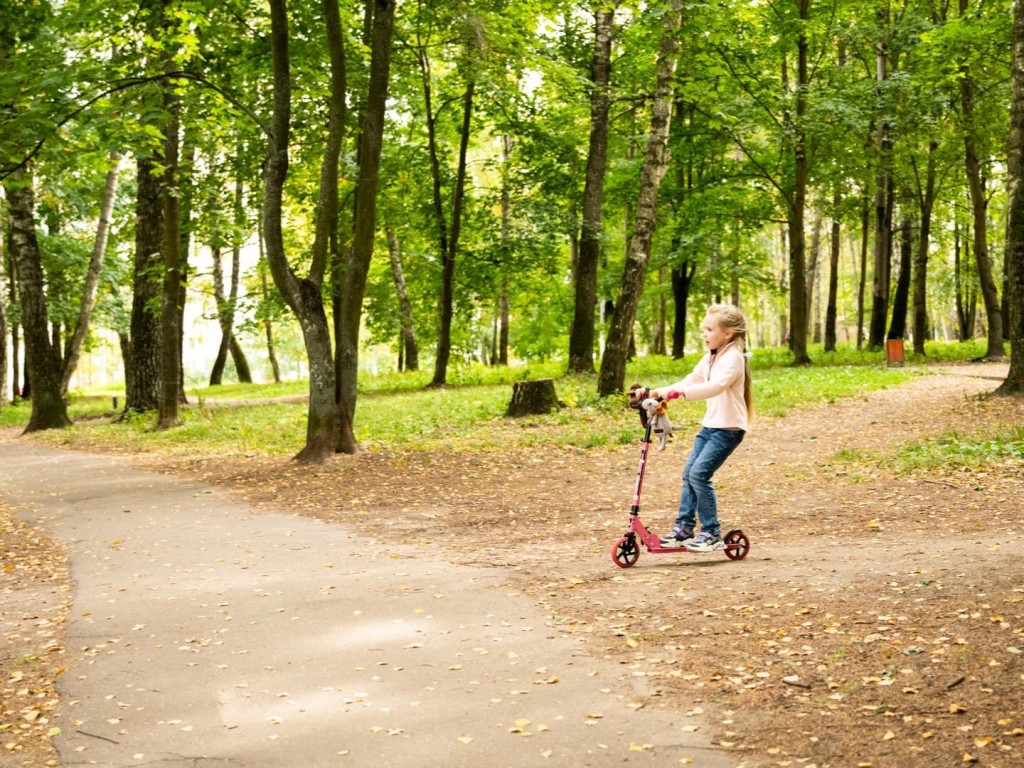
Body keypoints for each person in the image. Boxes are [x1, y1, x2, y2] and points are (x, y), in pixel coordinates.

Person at [649, 303, 753, 553]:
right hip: (710, 427)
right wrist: (661, 391)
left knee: (699, 475)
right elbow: (691, 380)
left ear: (727, 333)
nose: (704, 334)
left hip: (729, 430)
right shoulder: (710, 357)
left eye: (709, 329)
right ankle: (684, 528)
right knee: (688, 474)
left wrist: (680, 393)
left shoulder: (733, 358)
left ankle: (711, 532)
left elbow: (715, 386)